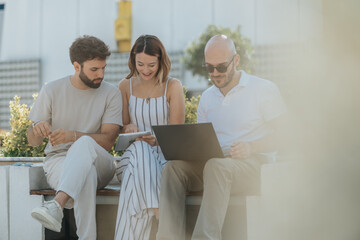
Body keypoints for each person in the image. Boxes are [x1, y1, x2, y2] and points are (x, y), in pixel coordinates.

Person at [157, 35, 287, 240]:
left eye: (221, 67)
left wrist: (251, 147)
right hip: (216, 165)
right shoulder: (208, 97)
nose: (215, 73)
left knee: (216, 167)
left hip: (253, 165)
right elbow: (202, 143)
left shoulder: (262, 89)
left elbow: (286, 135)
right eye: (209, 68)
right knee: (172, 170)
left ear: (235, 60)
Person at [28, 35, 123, 239]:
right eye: (94, 69)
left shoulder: (111, 94)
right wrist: (37, 127)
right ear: (76, 66)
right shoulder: (52, 90)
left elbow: (107, 142)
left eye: (103, 68)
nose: (101, 74)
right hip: (59, 162)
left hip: (102, 163)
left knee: (84, 145)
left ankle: (57, 205)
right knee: (84, 172)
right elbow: (33, 142)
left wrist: (73, 136)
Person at [113, 35, 185, 240]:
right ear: (133, 61)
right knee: (138, 149)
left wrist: (156, 140)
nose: (145, 70)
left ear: (161, 61)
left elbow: (177, 135)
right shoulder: (125, 86)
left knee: (133, 189)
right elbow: (122, 131)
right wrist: (128, 128)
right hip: (131, 159)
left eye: (151, 65)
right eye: (140, 64)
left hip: (162, 161)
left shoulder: (173, 87)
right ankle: (159, 210)